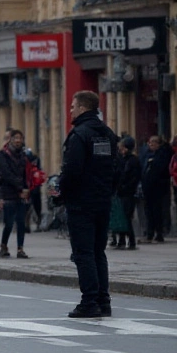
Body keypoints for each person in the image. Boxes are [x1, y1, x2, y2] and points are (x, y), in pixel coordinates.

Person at [59, 90, 120, 318]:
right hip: (103, 201)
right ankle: (103, 301)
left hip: (81, 203)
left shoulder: (79, 135)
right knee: (98, 252)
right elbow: (116, 169)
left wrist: (61, 192)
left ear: (83, 108)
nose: (71, 110)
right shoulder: (108, 134)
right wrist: (108, 192)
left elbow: (72, 170)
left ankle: (89, 302)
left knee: (83, 253)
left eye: (73, 106)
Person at [0, 128, 30, 258]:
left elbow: (25, 174)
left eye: (20, 138)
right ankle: (4, 246)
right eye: (15, 138)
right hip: (7, 193)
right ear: (10, 140)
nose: (18, 141)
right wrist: (20, 188)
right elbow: (6, 174)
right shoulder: (1, 156)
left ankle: (20, 249)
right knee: (8, 223)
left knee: (21, 222)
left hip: (20, 194)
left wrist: (26, 189)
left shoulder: (23, 156)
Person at [140, 135, 173, 243]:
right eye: (150, 142)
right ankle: (149, 233)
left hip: (158, 187)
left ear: (159, 144)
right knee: (148, 212)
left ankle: (159, 233)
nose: (151, 144)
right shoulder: (146, 154)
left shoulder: (162, 154)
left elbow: (161, 169)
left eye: (154, 143)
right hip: (147, 187)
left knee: (158, 211)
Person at [112, 136, 142, 250]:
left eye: (122, 146)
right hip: (121, 192)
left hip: (129, 193)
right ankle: (122, 240)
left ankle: (131, 241)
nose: (120, 148)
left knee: (126, 217)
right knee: (121, 217)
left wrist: (125, 187)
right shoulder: (122, 159)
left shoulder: (133, 160)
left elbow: (133, 177)